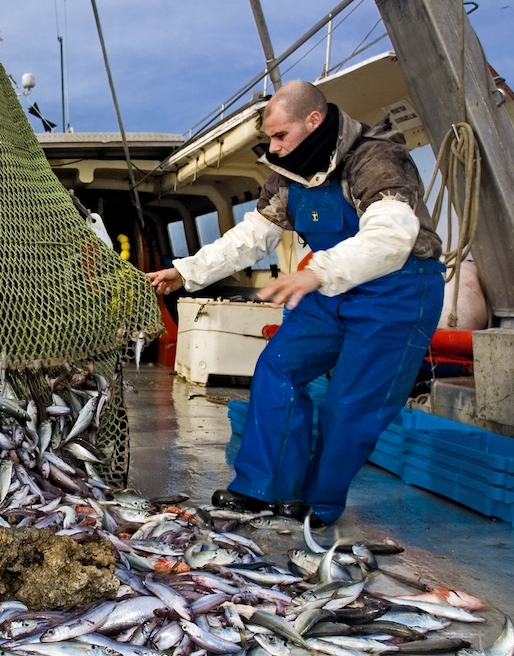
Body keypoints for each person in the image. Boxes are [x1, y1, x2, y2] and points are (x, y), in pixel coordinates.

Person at [147, 81, 444, 525]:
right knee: (277, 368)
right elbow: (253, 236)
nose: (275, 147)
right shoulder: (288, 171)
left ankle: (317, 504)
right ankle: (261, 488)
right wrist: (187, 271)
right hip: (329, 289)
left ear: (314, 120)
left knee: (350, 401)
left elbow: (391, 237)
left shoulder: (376, 158)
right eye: (270, 138)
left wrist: (316, 272)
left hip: (396, 291)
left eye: (281, 136)